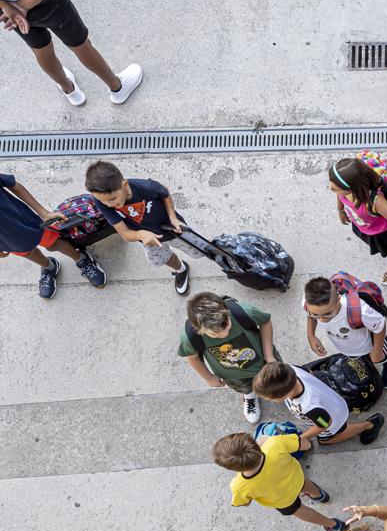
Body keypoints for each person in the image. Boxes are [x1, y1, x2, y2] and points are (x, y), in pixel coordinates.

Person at [0, 0, 142, 105]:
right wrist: (21, 10)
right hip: (45, 3)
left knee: (41, 50)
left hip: (10, 12)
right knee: (81, 46)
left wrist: (8, 8)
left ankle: (70, 91)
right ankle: (118, 87)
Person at [86, 161, 205, 294]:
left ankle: (225, 252)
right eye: (103, 201)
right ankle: (181, 269)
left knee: (200, 249)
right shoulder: (101, 201)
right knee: (163, 258)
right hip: (148, 240)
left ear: (124, 184)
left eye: (113, 198)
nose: (108, 204)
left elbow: (164, 192)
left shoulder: (146, 187)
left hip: (171, 229)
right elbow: (125, 234)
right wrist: (141, 235)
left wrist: (173, 217)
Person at [212, 430, 347, 531]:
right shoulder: (274, 444)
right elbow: (305, 444)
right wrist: (266, 440)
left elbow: (245, 503)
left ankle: (333, 525)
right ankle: (320, 496)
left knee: (299, 510)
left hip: (283, 500)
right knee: (305, 484)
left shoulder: (239, 485)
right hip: (296, 477)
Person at [0, 172, 105, 297]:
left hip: (25, 222)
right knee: (27, 253)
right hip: (5, 240)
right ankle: (49, 267)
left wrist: (44, 213)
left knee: (53, 243)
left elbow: (13, 184)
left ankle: (81, 259)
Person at [178, 292, 278, 423]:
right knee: (245, 387)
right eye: (215, 333)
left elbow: (265, 321)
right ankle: (249, 395)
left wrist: (269, 355)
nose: (225, 334)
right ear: (198, 330)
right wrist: (209, 378)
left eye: (227, 325)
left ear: (227, 311)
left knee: (276, 377)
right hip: (233, 374)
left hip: (263, 359)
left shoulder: (243, 311)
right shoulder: (190, 337)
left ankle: (281, 388)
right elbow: (192, 357)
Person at [252, 362, 385, 447]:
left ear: (284, 394)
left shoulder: (308, 406)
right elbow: (308, 372)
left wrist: (300, 438)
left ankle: (370, 425)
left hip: (333, 417)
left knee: (324, 440)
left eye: (270, 399)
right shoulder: (289, 370)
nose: (269, 401)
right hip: (328, 402)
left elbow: (324, 423)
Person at [304, 276, 387, 390]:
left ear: (338, 298)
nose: (321, 319)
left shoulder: (360, 310)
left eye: (327, 313)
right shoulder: (310, 302)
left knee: (383, 357)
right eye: (315, 314)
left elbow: (380, 326)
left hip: (370, 343)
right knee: (355, 356)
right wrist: (311, 335)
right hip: (346, 344)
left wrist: (377, 351)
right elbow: (310, 315)